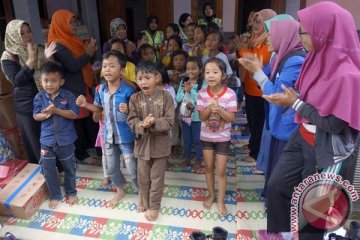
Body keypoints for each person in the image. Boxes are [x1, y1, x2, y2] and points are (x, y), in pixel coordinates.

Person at [262, 2, 360, 239]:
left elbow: (334, 124)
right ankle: (284, 233)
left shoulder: (348, 76)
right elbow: (303, 95)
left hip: (327, 148)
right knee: (277, 186)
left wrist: (295, 104)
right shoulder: (314, 59)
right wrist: (289, 98)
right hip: (303, 135)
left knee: (313, 211)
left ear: (323, 33)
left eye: (303, 32)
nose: (300, 37)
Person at [239, 15, 305, 196]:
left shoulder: (295, 61)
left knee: (282, 173)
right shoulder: (279, 56)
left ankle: (281, 208)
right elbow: (263, 75)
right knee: (273, 166)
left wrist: (257, 72)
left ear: (282, 35)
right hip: (277, 121)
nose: (267, 37)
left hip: (287, 127)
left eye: (271, 33)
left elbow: (275, 91)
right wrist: (255, 69)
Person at [76, 51, 138, 208]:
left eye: (112, 66)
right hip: (108, 136)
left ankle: (141, 192)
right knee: (111, 168)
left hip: (126, 137)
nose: (107, 70)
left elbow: (138, 113)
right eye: (105, 66)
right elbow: (98, 108)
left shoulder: (129, 90)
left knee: (132, 168)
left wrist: (129, 110)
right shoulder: (100, 89)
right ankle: (120, 190)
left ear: (122, 69)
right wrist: (85, 105)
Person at [48, 9, 100, 164]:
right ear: (61, 23)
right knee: (76, 121)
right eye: (70, 22)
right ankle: (82, 154)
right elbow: (72, 66)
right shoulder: (58, 44)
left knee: (88, 119)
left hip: (81, 85)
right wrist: (88, 54)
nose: (74, 25)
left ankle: (92, 149)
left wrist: (88, 51)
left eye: (74, 21)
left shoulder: (73, 39)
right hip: (70, 89)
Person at [1, 19, 57, 163]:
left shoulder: (38, 48)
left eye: (29, 31)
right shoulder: (8, 57)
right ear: (13, 36)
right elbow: (17, 81)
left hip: (46, 99)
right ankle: (45, 172)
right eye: (22, 33)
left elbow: (52, 72)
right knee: (35, 141)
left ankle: (57, 167)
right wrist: (30, 61)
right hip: (27, 105)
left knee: (51, 136)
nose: (27, 35)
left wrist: (49, 59)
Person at [127, 61, 175, 221]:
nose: (143, 82)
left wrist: (153, 123)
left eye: (147, 78)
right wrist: (141, 124)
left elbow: (169, 121)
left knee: (156, 178)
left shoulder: (166, 96)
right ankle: (144, 200)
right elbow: (131, 120)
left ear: (157, 78)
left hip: (160, 147)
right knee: (143, 177)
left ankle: (154, 206)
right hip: (141, 146)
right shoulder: (134, 98)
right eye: (139, 78)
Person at [33, 61, 79, 209]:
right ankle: (55, 195)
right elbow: (35, 116)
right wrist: (45, 114)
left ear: (61, 81)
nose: (49, 84)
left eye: (53, 81)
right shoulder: (39, 97)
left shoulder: (68, 95)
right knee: (48, 169)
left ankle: (71, 192)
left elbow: (74, 114)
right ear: (41, 81)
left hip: (66, 140)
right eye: (46, 80)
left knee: (69, 167)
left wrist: (56, 111)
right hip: (47, 140)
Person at [197, 57, 237, 216]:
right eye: (207, 72)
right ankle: (211, 195)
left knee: (220, 171)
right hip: (206, 137)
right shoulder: (201, 93)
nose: (211, 75)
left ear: (223, 75)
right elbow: (201, 117)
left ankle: (220, 200)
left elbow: (231, 118)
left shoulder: (230, 94)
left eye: (215, 71)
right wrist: (210, 107)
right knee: (208, 167)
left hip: (222, 138)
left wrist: (219, 109)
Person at [236, 9, 276, 164]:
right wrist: (242, 50)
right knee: (252, 119)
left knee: (259, 121)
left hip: (260, 89)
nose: (254, 25)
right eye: (254, 21)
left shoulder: (268, 41)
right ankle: (253, 144)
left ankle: (255, 154)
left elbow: (260, 61)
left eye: (259, 22)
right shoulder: (255, 39)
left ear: (268, 23)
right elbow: (245, 60)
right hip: (250, 87)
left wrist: (242, 49)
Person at [177, 56, 206, 167]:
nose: (190, 71)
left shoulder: (203, 83)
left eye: (193, 68)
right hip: (185, 116)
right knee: (187, 140)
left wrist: (191, 91)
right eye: (188, 68)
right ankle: (187, 159)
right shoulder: (183, 81)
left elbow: (202, 99)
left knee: (198, 140)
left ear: (200, 69)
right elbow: (178, 98)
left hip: (197, 118)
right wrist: (184, 92)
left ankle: (198, 160)